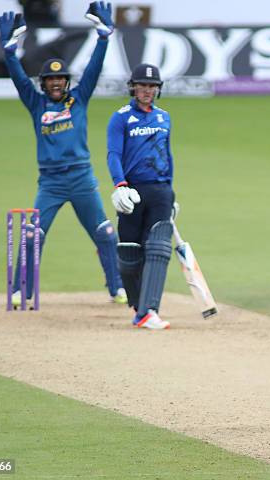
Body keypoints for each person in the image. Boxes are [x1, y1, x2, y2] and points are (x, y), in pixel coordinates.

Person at [0, 3, 127, 306]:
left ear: (66, 82)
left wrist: (103, 38)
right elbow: (18, 78)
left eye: (60, 79)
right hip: (51, 183)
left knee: (106, 234)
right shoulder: (36, 104)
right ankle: (21, 290)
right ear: (43, 84)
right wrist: (9, 53)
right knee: (33, 236)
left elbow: (94, 68)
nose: (56, 83)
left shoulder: (79, 99)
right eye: (50, 80)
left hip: (82, 178)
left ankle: (117, 287)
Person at [106, 63, 175, 330]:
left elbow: (167, 155)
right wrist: (119, 185)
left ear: (158, 89)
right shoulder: (121, 117)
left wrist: (171, 192)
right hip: (131, 191)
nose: (147, 90)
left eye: (152, 86)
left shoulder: (164, 117)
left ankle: (150, 311)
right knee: (129, 253)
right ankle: (139, 309)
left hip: (160, 191)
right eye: (142, 85)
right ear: (133, 88)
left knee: (157, 250)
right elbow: (113, 154)